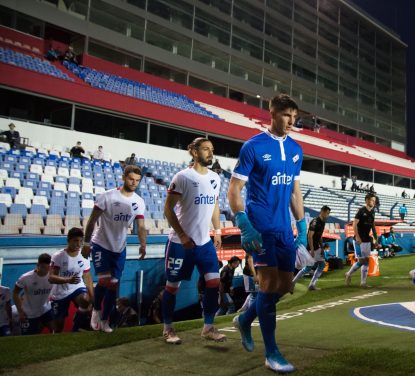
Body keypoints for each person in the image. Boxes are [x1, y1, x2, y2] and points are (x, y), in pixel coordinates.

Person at [229, 94, 306, 373]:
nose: (291, 121)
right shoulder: (253, 146)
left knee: (285, 287)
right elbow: (234, 189)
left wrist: (303, 223)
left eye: (294, 117)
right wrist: (243, 221)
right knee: (268, 285)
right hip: (260, 227)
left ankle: (245, 317)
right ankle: (271, 353)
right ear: (272, 113)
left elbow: (295, 192)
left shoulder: (297, 149)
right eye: (287, 115)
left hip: (284, 227)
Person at [160, 137, 224, 345]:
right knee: (172, 287)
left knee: (214, 282)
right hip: (181, 244)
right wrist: (183, 235)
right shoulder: (182, 177)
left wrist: (218, 230)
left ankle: (208, 327)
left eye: (212, 150)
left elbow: (214, 206)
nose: (210, 153)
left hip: (204, 243)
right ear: (195, 152)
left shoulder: (215, 177)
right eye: (206, 149)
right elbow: (167, 210)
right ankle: (168, 329)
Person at [82, 165, 146, 333]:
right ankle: (96, 311)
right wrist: (86, 243)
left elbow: (140, 226)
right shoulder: (107, 196)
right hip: (100, 245)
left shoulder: (138, 201)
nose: (134, 183)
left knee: (113, 285)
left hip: (120, 248)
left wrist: (143, 244)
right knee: (104, 281)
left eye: (137, 181)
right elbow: (91, 220)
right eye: (131, 179)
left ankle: (105, 321)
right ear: (124, 177)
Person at [49, 228, 94, 333]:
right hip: (59, 293)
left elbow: (87, 276)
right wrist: (67, 280)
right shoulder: (58, 256)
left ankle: (77, 325)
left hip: (76, 287)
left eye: (80, 241)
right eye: (75, 241)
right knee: (59, 327)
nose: (78, 244)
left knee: (85, 300)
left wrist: (92, 297)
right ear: (68, 240)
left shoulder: (84, 256)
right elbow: (51, 278)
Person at [13, 253, 53, 335]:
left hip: (45, 310)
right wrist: (20, 312)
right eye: (43, 267)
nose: (45, 270)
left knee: (55, 329)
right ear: (38, 265)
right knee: (29, 338)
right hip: (29, 313)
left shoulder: (53, 276)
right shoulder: (25, 278)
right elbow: (15, 293)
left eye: (48, 267)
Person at [292, 206, 331, 291]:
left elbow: (320, 236)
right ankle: (293, 283)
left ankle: (311, 285)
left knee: (321, 264)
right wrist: (312, 249)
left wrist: (321, 248)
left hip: (317, 247)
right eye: (327, 213)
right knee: (308, 268)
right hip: (311, 247)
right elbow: (310, 236)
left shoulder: (322, 222)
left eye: (329, 214)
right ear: (322, 212)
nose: (328, 215)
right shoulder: (315, 222)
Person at [345, 193, 378, 288]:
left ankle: (363, 282)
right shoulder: (361, 210)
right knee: (362, 260)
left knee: (366, 260)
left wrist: (376, 238)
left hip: (367, 239)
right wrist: (358, 236)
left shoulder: (372, 212)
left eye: (374, 201)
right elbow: (354, 224)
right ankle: (349, 273)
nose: (374, 202)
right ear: (367, 200)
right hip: (359, 240)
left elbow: (373, 225)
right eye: (372, 200)